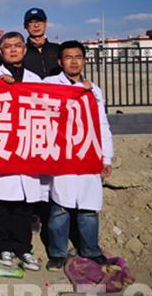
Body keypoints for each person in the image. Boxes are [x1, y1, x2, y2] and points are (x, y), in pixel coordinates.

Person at [0, 31, 48, 271]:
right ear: (1, 51)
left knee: (23, 206)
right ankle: (4, 247)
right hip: (0, 144)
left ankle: (24, 248)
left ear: (25, 50)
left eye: (18, 45)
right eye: (8, 46)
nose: (13, 50)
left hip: (26, 145)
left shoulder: (36, 79)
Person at [44, 41, 113, 270]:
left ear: (84, 60)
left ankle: (91, 250)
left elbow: (102, 124)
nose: (73, 62)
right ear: (60, 62)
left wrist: (106, 157)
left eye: (77, 57)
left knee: (88, 208)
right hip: (62, 154)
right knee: (59, 208)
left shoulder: (94, 90)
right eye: (68, 57)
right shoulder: (50, 84)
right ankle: (57, 253)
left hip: (87, 153)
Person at [23, 8, 61, 79]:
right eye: (31, 22)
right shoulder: (21, 51)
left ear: (46, 24)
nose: (36, 25)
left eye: (40, 21)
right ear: (25, 26)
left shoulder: (58, 49)